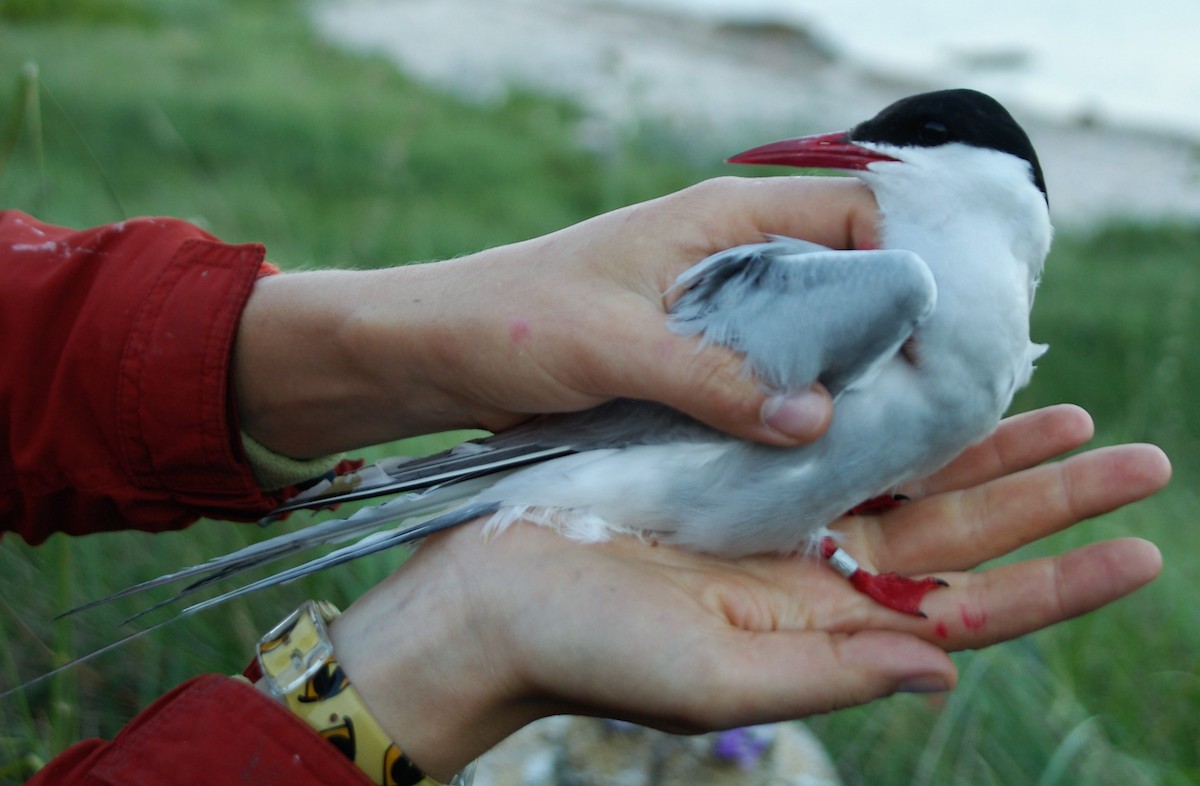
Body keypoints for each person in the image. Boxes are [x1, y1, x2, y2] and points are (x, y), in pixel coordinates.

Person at [1, 177, 1169, 785]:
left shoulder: (938, 320)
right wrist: (447, 647)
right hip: (609, 455)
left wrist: (372, 346)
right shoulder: (877, 291)